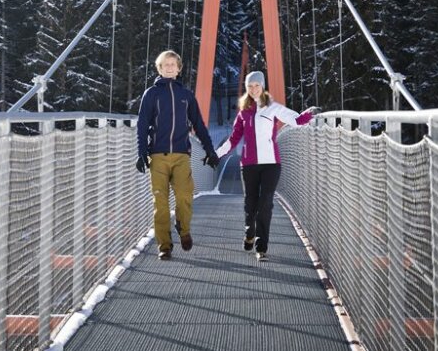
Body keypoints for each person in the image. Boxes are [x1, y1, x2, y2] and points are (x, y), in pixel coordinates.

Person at [215, 70, 319, 262]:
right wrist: (216, 155)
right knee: (250, 203)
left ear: (262, 86)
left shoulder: (273, 108)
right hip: (249, 165)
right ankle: (249, 231)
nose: (253, 89)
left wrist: (309, 115)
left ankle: (261, 247)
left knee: (266, 203)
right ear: (247, 89)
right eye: (250, 86)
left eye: (257, 85)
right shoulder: (243, 113)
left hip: (271, 164)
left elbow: (295, 120)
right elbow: (233, 139)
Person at [135, 50, 220, 260]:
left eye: (173, 64)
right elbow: (143, 124)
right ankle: (164, 245)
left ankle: (183, 228)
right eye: (165, 64)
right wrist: (141, 152)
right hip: (158, 157)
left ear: (179, 68)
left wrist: (210, 150)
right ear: (160, 68)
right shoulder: (151, 94)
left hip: (182, 155)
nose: (170, 67)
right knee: (160, 204)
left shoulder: (186, 96)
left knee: (184, 197)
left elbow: (199, 125)